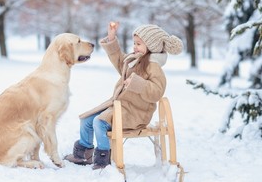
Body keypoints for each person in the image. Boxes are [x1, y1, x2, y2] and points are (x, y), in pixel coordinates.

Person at [64, 22, 184, 169]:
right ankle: (83, 153)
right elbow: (120, 61)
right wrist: (111, 38)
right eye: (134, 43)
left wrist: (137, 83)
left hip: (136, 114)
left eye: (139, 44)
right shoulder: (135, 59)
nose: (135, 46)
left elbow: (156, 92)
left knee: (99, 122)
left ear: (151, 46)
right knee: (86, 120)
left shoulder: (154, 67)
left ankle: (103, 159)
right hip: (120, 107)